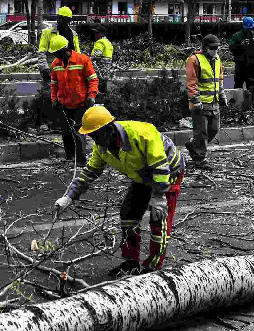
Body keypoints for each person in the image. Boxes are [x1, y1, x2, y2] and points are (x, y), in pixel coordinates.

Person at [53, 106, 186, 275]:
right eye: (91, 136)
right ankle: (131, 262)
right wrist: (69, 197)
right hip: (142, 176)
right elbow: (89, 173)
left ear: (109, 129)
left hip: (168, 172)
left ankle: (153, 268)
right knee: (128, 215)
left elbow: (160, 167)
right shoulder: (102, 147)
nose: (94, 140)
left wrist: (159, 197)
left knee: (158, 220)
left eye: (96, 135)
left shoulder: (142, 134)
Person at [48, 35, 99, 162]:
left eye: (57, 53)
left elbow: (93, 80)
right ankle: (70, 157)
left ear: (65, 50)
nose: (56, 56)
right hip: (63, 104)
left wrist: (91, 96)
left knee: (78, 131)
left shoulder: (83, 60)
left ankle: (81, 159)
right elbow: (54, 83)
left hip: (80, 103)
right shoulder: (56, 63)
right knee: (66, 133)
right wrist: (54, 99)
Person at [185, 35, 225, 170]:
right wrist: (195, 100)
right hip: (200, 103)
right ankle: (200, 160)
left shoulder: (218, 59)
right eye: (213, 48)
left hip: (214, 102)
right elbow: (191, 82)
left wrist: (222, 95)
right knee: (201, 133)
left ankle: (194, 144)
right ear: (205, 47)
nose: (215, 50)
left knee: (214, 129)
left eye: (217, 48)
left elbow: (220, 79)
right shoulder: (194, 60)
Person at [228, 16, 254, 89]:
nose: (248, 30)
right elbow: (231, 48)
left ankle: (250, 100)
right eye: (247, 29)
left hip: (251, 65)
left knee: (251, 86)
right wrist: (241, 45)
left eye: (250, 29)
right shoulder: (236, 36)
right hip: (240, 64)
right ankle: (238, 99)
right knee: (238, 85)